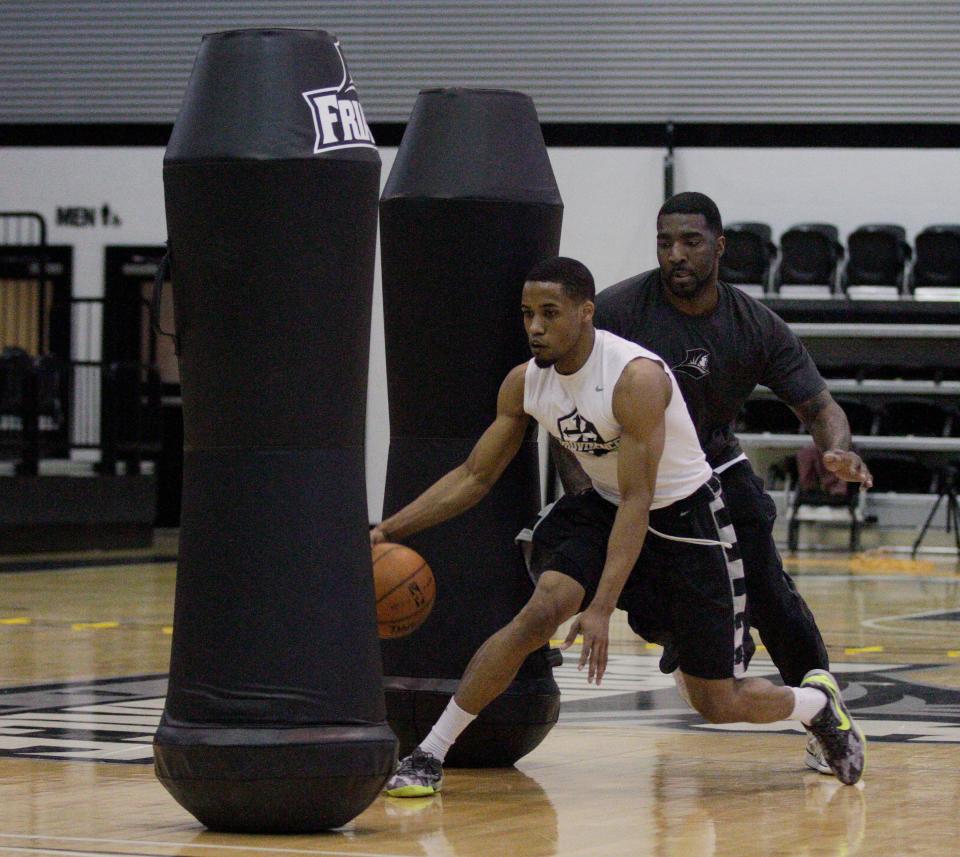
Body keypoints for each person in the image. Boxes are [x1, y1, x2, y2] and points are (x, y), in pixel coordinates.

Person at [373, 256, 865, 797]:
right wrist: (389, 530)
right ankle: (429, 753)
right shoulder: (525, 384)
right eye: (527, 314)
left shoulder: (635, 377)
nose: (535, 327)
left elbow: (641, 500)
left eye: (549, 313)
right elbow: (473, 476)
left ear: (585, 313)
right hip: (605, 504)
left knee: (716, 702)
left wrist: (602, 607)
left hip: (686, 518)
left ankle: (818, 704)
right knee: (538, 614)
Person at [552, 191, 873, 776]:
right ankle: (702, 639)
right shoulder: (620, 309)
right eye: (665, 242)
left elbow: (819, 405)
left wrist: (838, 450)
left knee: (771, 593)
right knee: (604, 579)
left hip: (712, 471)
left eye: (691, 242)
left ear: (719, 247)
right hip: (628, 479)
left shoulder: (752, 324)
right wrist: (580, 486)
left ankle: (823, 715)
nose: (676, 254)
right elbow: (562, 401)